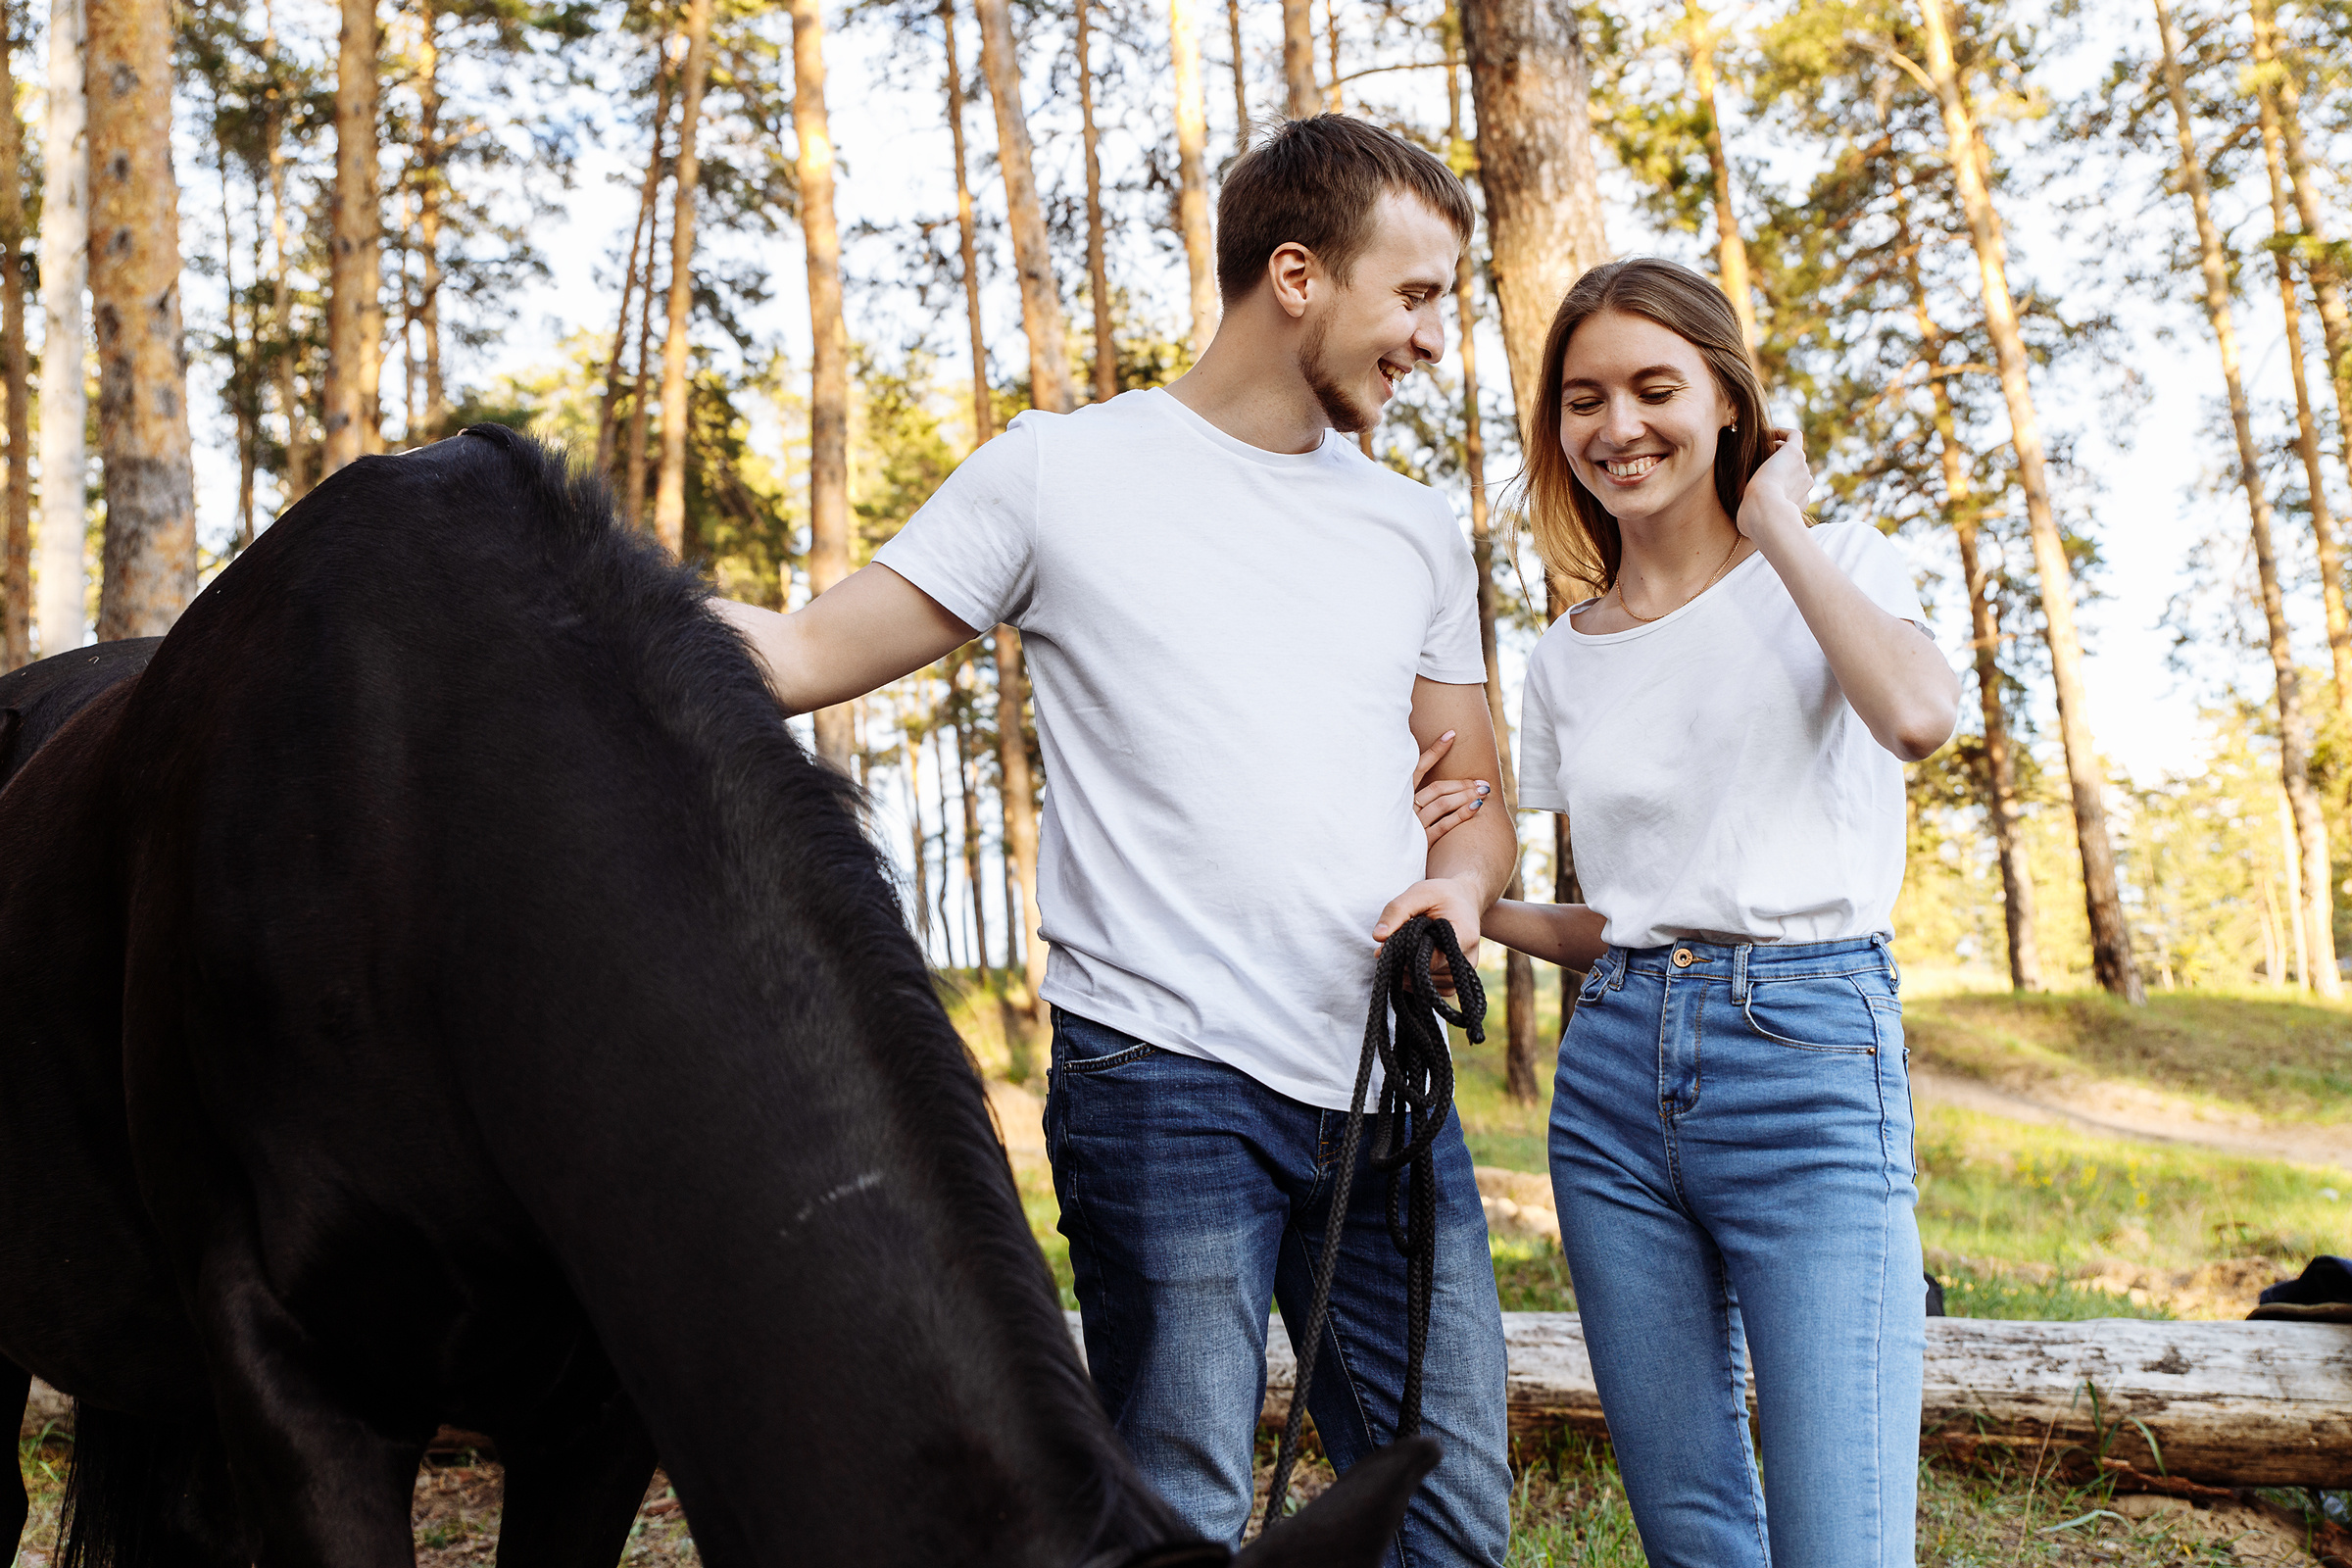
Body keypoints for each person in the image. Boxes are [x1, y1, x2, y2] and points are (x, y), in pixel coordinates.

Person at [713, 115, 1515, 1566]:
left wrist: (1452, 899)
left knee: (1453, 1520)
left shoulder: (1414, 530)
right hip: (1166, 1086)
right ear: (1295, 275)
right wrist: (542, 562)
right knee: (1181, 1515)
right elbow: (799, 654)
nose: (1434, 340)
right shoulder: (1059, 474)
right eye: (1417, 295)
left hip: (1386, 1099)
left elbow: (1477, 807)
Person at [1468, 257, 1959, 1568]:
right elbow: (1625, 919)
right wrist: (1477, 912)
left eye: (1653, 387)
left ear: (1729, 403)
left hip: (1808, 1065)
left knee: (1842, 1540)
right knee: (1693, 1533)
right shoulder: (1566, 652)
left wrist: (1780, 522)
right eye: (1583, 399)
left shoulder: (1839, 561)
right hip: (1616, 1084)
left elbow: (1916, 718)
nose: (1616, 427)